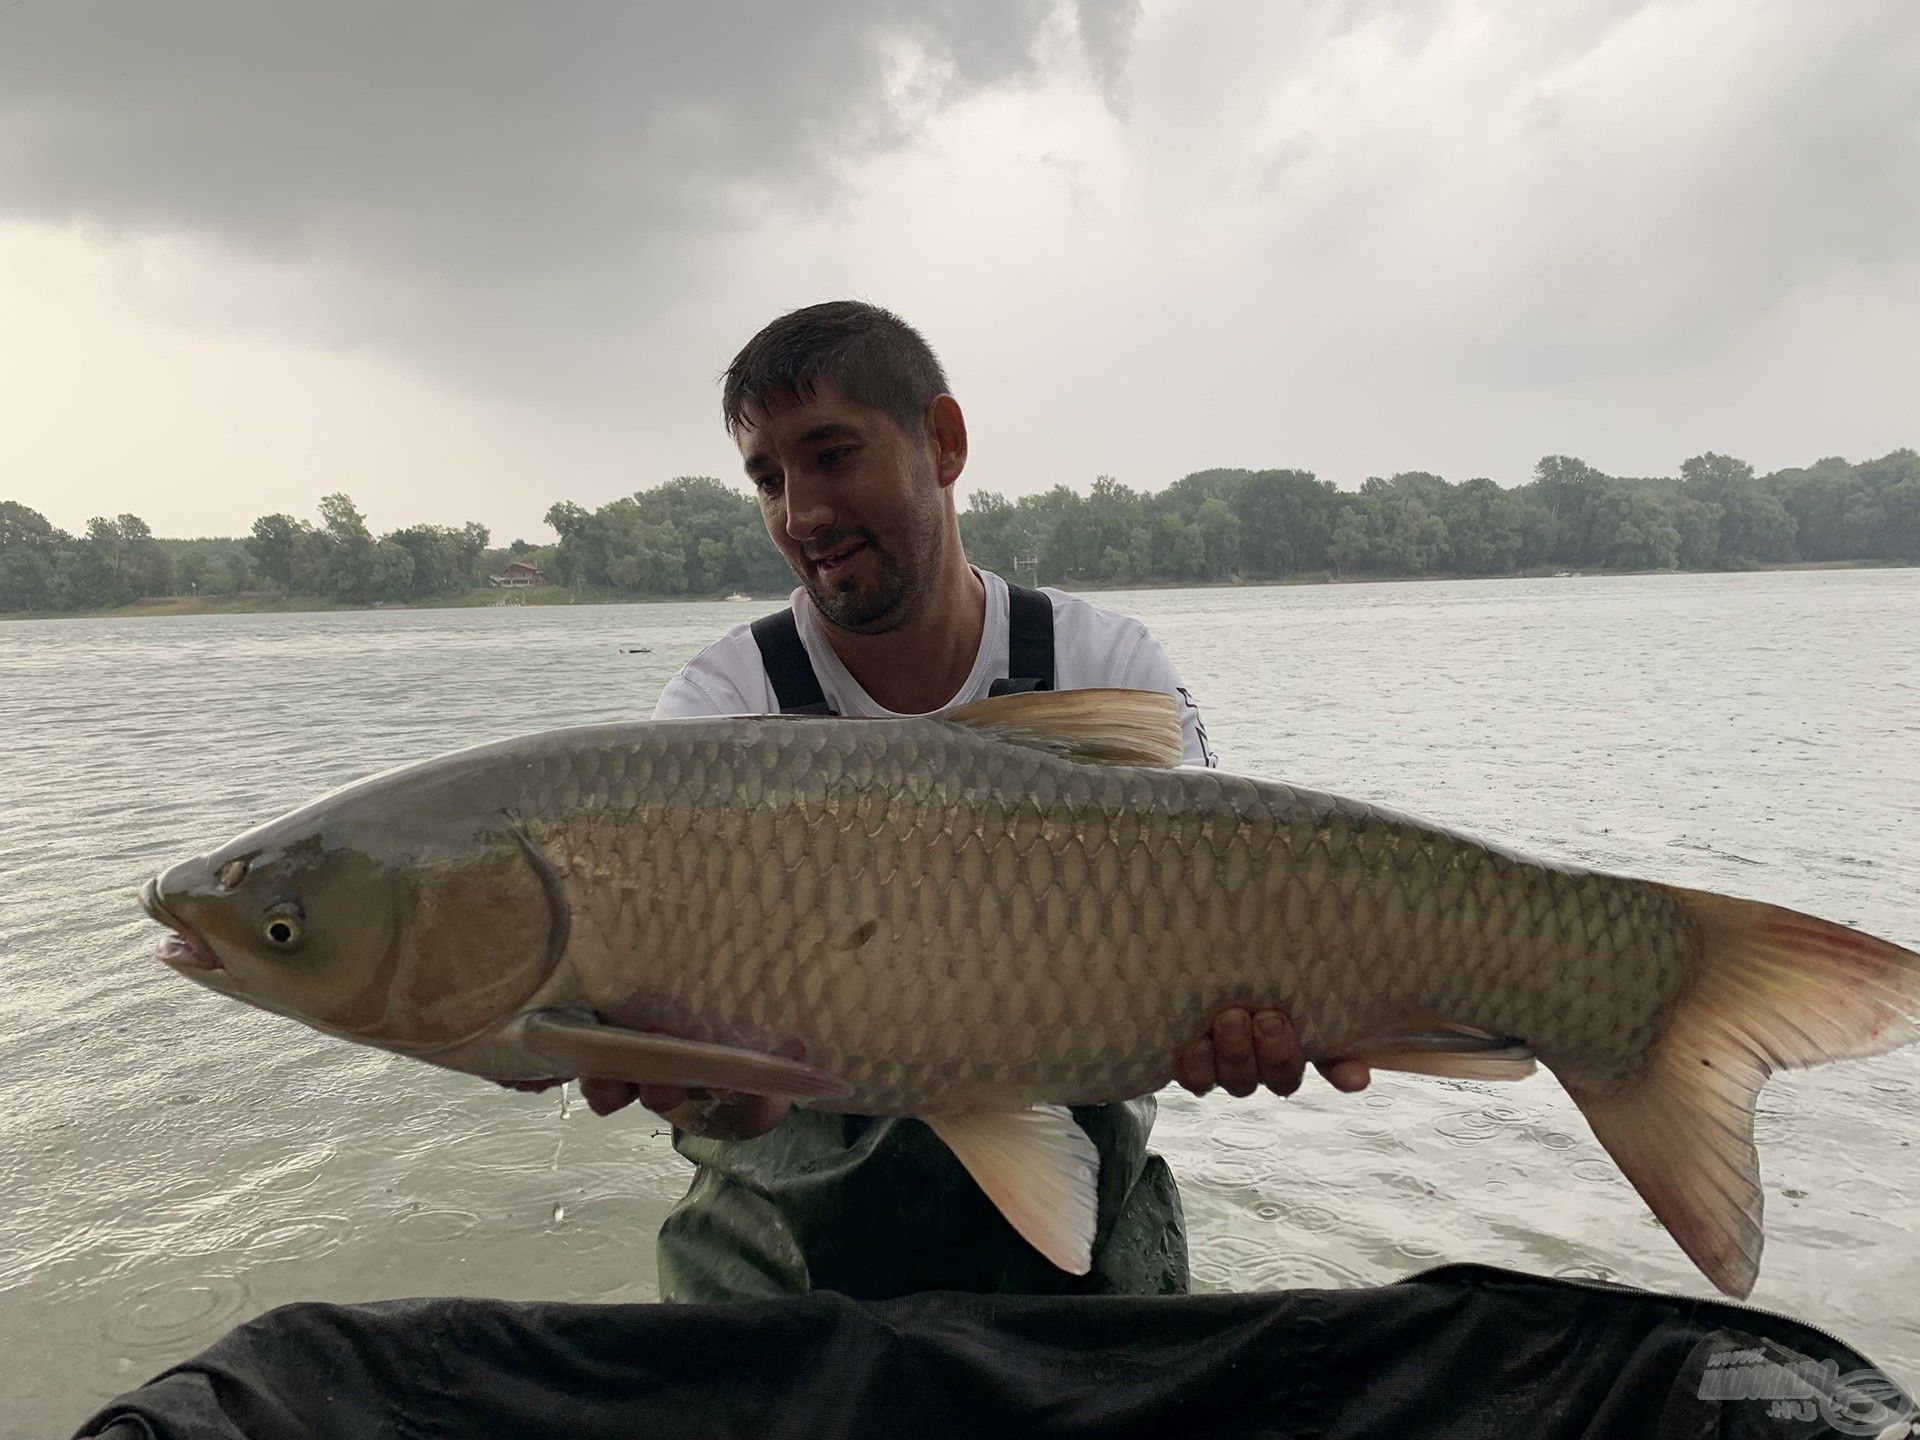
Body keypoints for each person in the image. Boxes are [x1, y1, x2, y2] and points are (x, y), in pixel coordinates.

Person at [581, 301, 1369, 1301]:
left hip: (1077, 1239)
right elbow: (725, 1115)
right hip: (788, 1267)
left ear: (943, 444)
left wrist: (1253, 1024)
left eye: (832, 455)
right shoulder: (720, 713)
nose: (802, 512)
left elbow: (1215, 945)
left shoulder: (1102, 664)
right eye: (769, 478)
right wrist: (717, 1102)